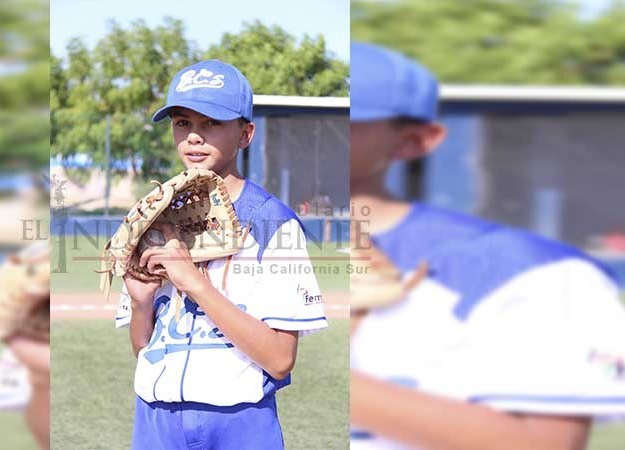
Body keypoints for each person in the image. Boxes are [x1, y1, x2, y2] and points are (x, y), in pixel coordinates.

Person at [349, 41, 625, 450]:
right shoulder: (247, 241)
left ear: (415, 140)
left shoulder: (536, 271)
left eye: (347, 118)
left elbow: (544, 445)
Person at [115, 59, 329, 450]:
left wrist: (195, 284)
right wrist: (140, 304)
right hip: (155, 420)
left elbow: (281, 359)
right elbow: (143, 350)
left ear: (245, 134)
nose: (194, 137)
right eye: (182, 123)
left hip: (238, 422)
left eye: (211, 123)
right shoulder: (152, 218)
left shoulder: (272, 223)